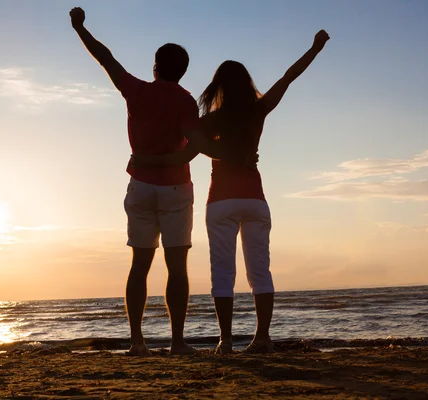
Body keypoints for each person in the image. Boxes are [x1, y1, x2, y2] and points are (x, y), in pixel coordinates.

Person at [133, 30, 330, 354]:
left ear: (218, 87)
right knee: (260, 271)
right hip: (255, 199)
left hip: (221, 201)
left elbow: (186, 154)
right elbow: (288, 77)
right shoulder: (259, 110)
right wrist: (315, 48)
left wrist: (148, 160)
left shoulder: (212, 121)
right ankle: (262, 338)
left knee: (222, 272)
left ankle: (225, 341)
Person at [69, 7, 227, 356]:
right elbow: (194, 150)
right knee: (176, 266)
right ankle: (176, 342)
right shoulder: (185, 101)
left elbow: (105, 57)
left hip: (141, 185)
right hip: (174, 189)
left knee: (140, 264)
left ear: (155, 66)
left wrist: (80, 28)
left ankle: (137, 343)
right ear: (183, 71)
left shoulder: (136, 90)